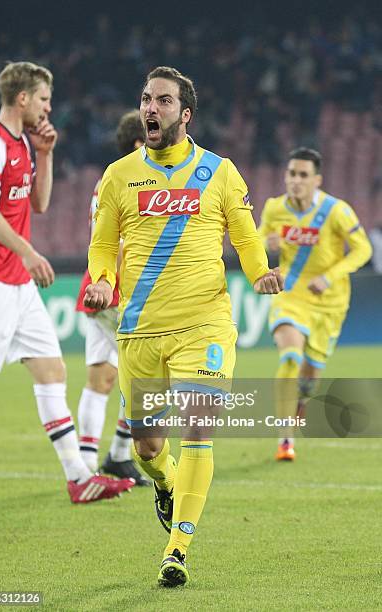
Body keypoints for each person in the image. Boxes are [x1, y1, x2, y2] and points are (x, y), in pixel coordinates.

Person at [84, 66, 283, 586]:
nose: (151, 108)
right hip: (141, 330)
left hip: (205, 323)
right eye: (147, 99)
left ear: (185, 114)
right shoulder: (119, 176)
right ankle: (165, 484)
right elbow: (103, 245)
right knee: (147, 448)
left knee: (199, 428)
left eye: (164, 101)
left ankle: (178, 549)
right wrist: (102, 279)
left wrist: (261, 272)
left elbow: (245, 233)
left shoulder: (218, 172)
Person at [0, 61, 134, 503]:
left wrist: (45, 153)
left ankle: (79, 478)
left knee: (52, 369)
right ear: (23, 98)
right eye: (44, 99)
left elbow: (40, 204)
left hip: (16, 281)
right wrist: (28, 252)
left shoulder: (24, 144)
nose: (49, 107)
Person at [259, 147, 373, 461]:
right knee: (290, 356)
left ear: (317, 179)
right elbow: (254, 240)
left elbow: (362, 251)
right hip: (291, 295)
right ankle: (284, 438)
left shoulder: (337, 211)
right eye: (292, 174)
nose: (296, 180)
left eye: (303, 175)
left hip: (330, 301)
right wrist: (264, 244)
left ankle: (302, 399)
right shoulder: (274, 208)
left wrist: (330, 276)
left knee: (309, 376)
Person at [75, 110, 149, 486]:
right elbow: (118, 240)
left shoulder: (110, 179)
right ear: (139, 143)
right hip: (120, 289)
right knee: (142, 376)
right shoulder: (126, 180)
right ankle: (114, 456)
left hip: (101, 286)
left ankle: (95, 463)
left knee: (104, 377)